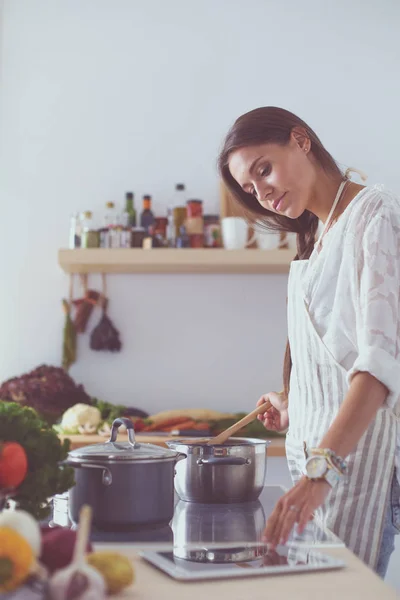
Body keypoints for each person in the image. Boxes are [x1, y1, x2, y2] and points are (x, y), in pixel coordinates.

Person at [218, 106, 400, 578]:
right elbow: (337, 357)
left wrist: (320, 473)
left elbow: (379, 366)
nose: (263, 192)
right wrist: (293, 400)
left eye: (264, 169)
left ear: (301, 140)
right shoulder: (320, 234)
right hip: (326, 469)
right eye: (251, 189)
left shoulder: (373, 215)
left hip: (358, 470)